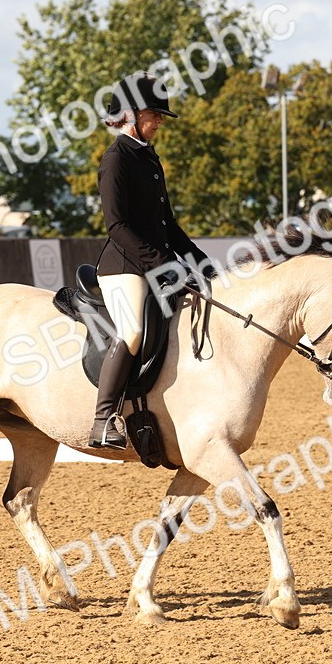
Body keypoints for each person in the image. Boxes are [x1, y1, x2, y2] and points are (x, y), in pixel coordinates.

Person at [89, 72, 212, 449]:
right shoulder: (116, 160)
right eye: (154, 114)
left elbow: (167, 224)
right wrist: (163, 263)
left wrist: (201, 263)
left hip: (152, 262)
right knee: (132, 332)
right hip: (123, 267)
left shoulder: (148, 158)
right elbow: (118, 225)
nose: (159, 121)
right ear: (129, 115)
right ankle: (103, 419)